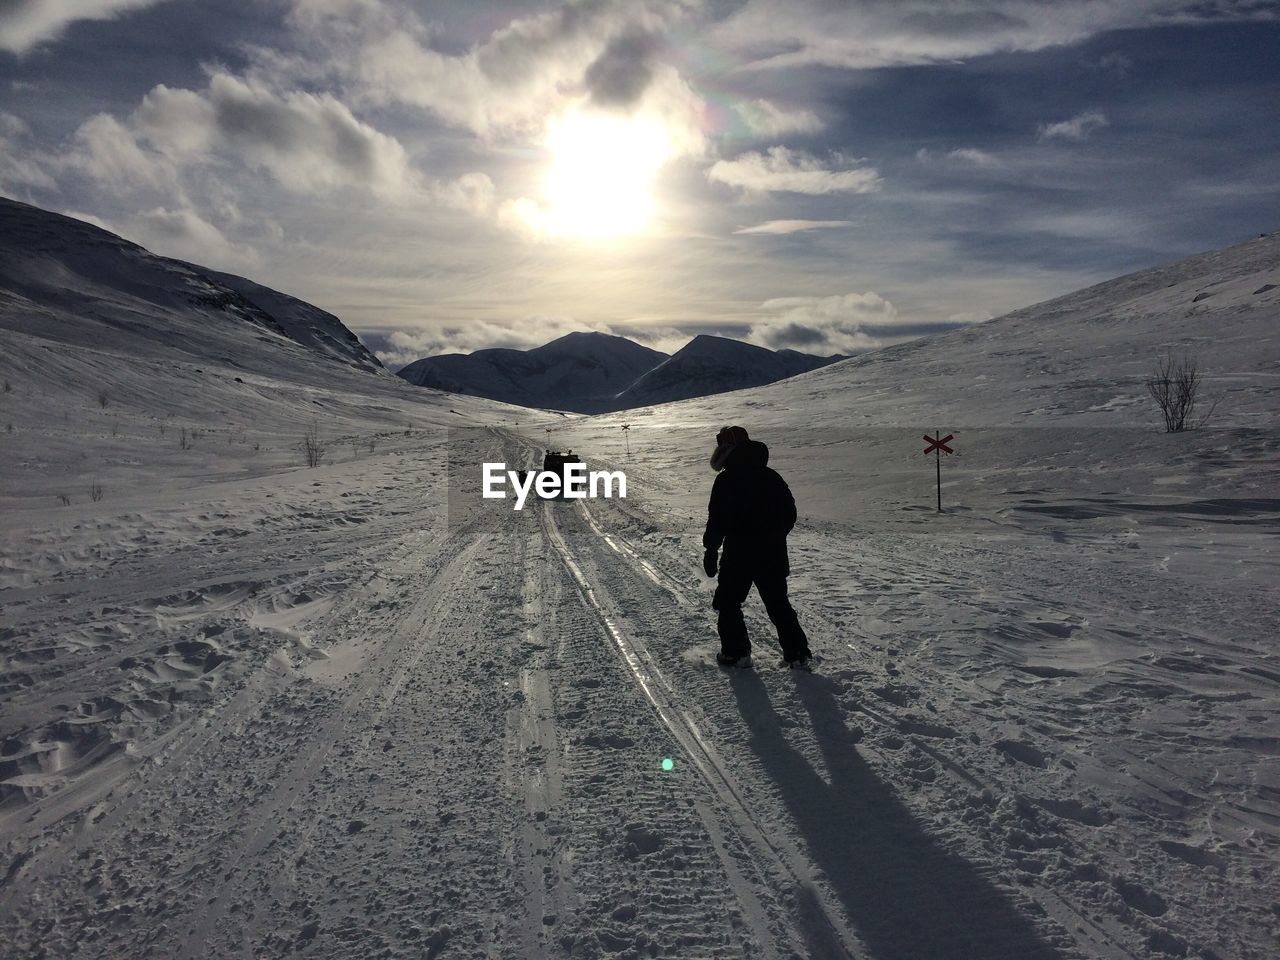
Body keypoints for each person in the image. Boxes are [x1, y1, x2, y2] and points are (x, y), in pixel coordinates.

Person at [702, 426, 812, 670]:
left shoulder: (726, 480)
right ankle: (798, 654)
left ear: (729, 449)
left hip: (738, 554)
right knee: (777, 603)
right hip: (772, 553)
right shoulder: (771, 476)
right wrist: (772, 536)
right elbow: (789, 513)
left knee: (728, 602)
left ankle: (736, 653)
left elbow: (717, 519)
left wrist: (711, 549)